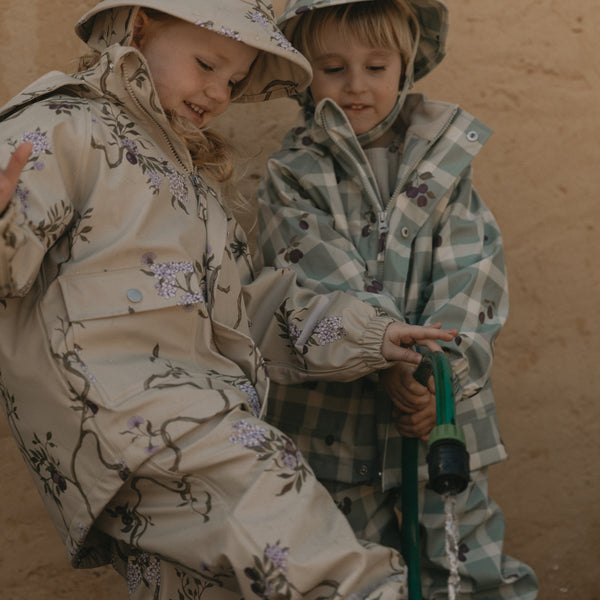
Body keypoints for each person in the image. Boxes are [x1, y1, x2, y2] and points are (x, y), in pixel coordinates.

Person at [0, 1, 461, 598]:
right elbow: (14, 232)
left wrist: (369, 333)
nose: (218, 91)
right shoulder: (64, 127)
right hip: (151, 427)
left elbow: (244, 317)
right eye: (206, 64)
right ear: (140, 28)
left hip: (160, 447)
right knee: (335, 571)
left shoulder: (192, 187)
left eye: (235, 80)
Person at [257, 1, 539, 598]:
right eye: (332, 68)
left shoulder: (449, 166)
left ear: (405, 67)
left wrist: (439, 375)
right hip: (333, 434)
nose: (356, 85)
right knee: (349, 573)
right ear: (306, 73)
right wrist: (384, 355)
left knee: (465, 568)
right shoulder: (293, 175)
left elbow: (473, 276)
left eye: (376, 66)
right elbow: (312, 274)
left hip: (440, 423)